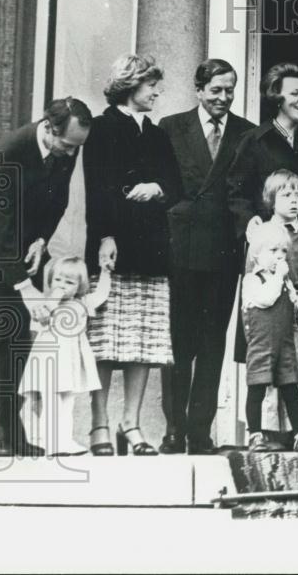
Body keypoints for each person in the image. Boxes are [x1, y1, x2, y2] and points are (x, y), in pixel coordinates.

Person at [0, 97, 92, 456]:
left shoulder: (68, 148)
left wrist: (40, 240)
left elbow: (58, 201)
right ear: (49, 128)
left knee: (18, 347)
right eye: (66, 145)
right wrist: (24, 287)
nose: (70, 155)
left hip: (21, 250)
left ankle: (12, 436)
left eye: (76, 148)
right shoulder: (8, 150)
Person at [227, 63, 298, 444]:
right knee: (265, 350)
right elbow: (236, 191)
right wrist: (250, 224)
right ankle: (266, 430)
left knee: (295, 355)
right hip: (266, 259)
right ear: (276, 96)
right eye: (294, 93)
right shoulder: (255, 141)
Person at [83, 54, 181, 456]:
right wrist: (106, 235)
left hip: (152, 249)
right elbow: (97, 187)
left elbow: (176, 183)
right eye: (151, 85)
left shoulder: (157, 134)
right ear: (130, 86)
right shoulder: (103, 128)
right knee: (106, 341)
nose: (157, 92)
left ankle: (132, 425)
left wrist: (158, 188)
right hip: (113, 246)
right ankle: (99, 426)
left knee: (143, 341)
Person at [158, 58, 255, 455]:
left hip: (223, 251)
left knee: (213, 342)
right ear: (199, 90)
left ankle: (200, 432)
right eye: (215, 90)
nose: (223, 97)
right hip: (180, 248)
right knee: (178, 343)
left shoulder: (247, 133)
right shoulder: (171, 127)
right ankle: (173, 429)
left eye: (229, 89)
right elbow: (163, 183)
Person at [240, 216, 298, 452]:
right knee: (257, 388)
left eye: (283, 251)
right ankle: (255, 434)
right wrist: (278, 277)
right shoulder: (253, 280)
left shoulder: (285, 282)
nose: (279, 256)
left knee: (290, 387)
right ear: (256, 254)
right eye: (273, 250)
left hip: (284, 344)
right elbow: (266, 299)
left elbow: (291, 305)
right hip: (261, 344)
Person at [19, 257, 111, 456]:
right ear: (50, 281)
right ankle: (49, 442)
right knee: (51, 400)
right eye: (58, 280)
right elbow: (38, 319)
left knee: (68, 401)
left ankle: (65, 440)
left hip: (70, 361)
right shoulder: (43, 304)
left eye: (70, 282)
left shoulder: (83, 302)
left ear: (79, 287)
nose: (62, 285)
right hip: (48, 360)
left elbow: (102, 294)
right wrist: (52, 301)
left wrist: (105, 272)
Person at [261, 170, 298, 442]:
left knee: (295, 364)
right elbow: (254, 269)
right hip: (271, 304)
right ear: (271, 200)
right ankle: (271, 430)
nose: (294, 200)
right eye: (286, 195)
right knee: (270, 364)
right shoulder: (263, 232)